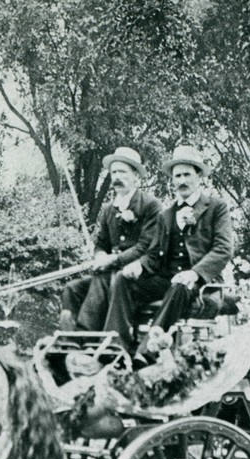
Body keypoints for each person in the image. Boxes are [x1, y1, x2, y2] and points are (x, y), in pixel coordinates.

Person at [102, 144, 233, 358]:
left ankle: (147, 353)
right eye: (177, 176)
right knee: (122, 279)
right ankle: (116, 349)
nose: (182, 180)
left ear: (199, 176)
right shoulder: (166, 215)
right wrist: (138, 265)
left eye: (187, 175)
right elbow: (154, 256)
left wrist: (195, 272)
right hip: (166, 280)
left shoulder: (216, 208)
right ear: (172, 180)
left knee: (179, 285)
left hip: (200, 285)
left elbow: (223, 249)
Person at [59, 146, 162, 330]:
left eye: (122, 172)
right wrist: (99, 256)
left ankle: (86, 333)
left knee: (104, 278)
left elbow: (146, 246)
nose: (116, 177)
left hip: (139, 275)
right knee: (72, 288)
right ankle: (70, 341)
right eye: (113, 172)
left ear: (136, 176)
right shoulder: (109, 209)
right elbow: (101, 243)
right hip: (110, 272)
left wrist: (113, 260)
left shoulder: (151, 205)